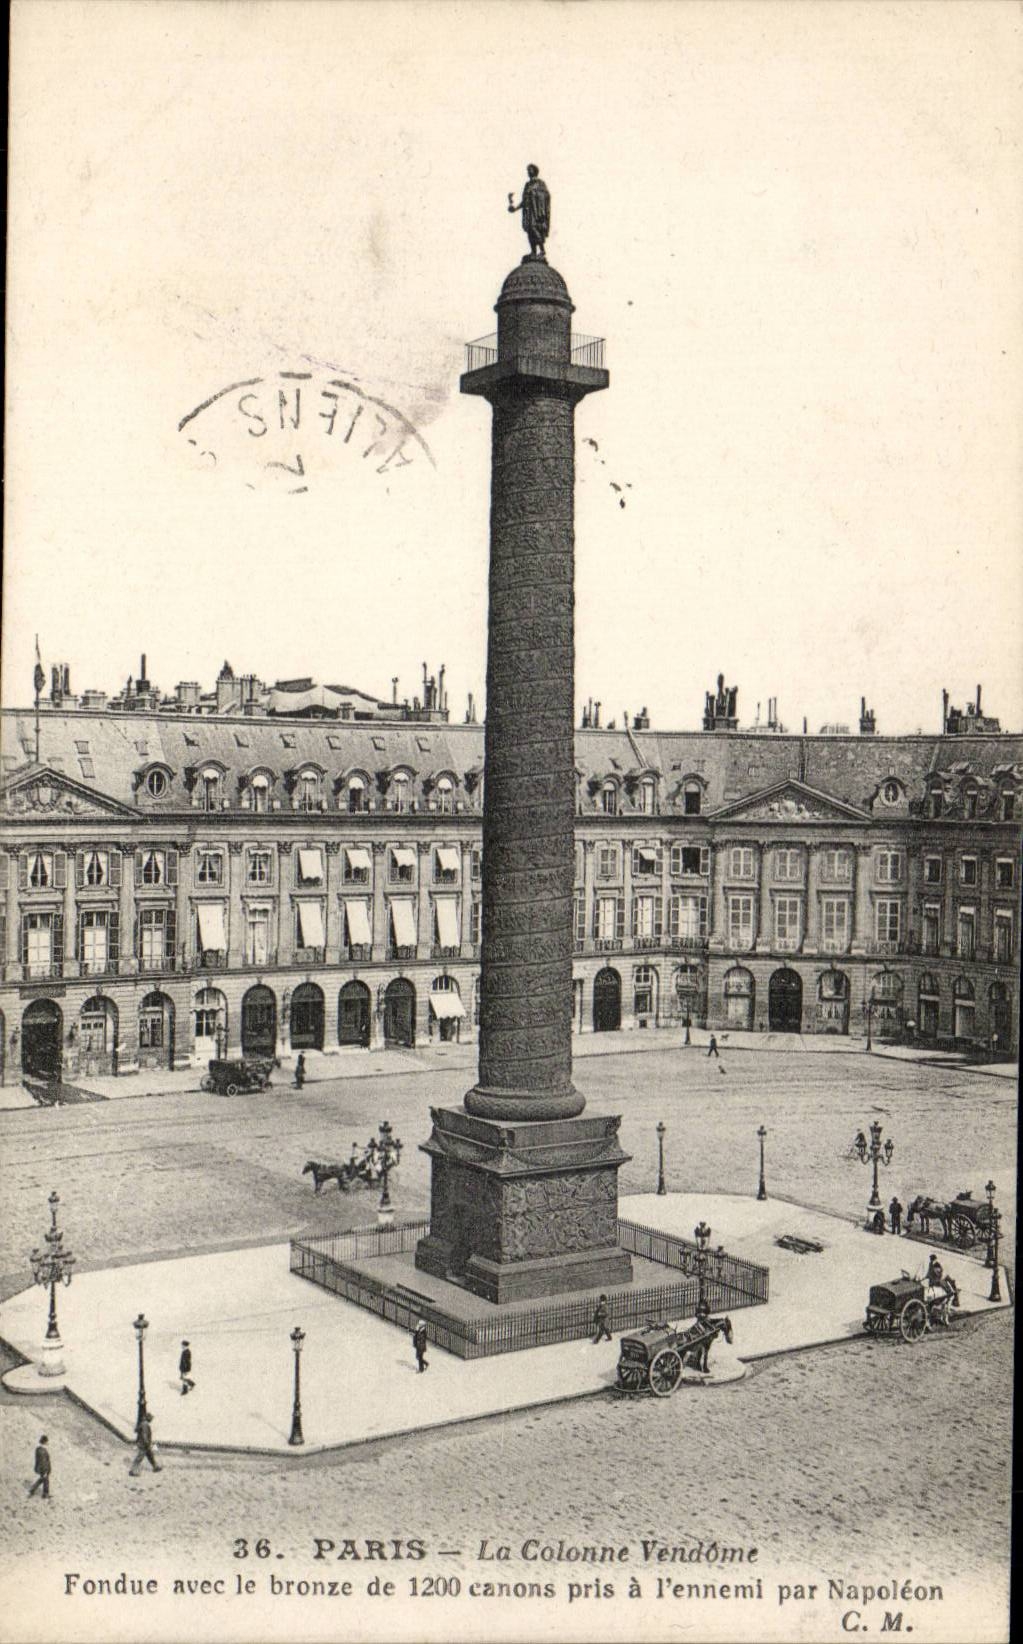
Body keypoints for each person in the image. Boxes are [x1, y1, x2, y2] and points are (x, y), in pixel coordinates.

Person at [507, 165, 550, 258]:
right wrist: (515, 208)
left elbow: (545, 196)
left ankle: (542, 251)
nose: (528, 172)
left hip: (537, 212)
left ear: (534, 171)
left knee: (534, 229)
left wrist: (541, 210)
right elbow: (525, 201)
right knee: (530, 231)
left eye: (530, 170)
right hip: (528, 213)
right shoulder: (527, 185)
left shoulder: (540, 183)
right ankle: (533, 252)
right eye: (528, 170)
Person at [129, 1409, 162, 1475]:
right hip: (144, 1444)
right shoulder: (146, 1424)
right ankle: (133, 1470)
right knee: (139, 1458)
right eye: (151, 1418)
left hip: (143, 1443)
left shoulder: (142, 1423)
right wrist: (147, 1443)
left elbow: (136, 1430)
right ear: (148, 1418)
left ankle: (155, 1467)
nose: (151, 1419)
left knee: (150, 1456)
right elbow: (144, 1435)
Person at [29, 1435, 51, 1499]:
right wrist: (45, 1471)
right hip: (43, 1469)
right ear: (44, 1442)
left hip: (41, 1468)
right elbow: (43, 1462)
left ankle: (33, 1490)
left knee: (43, 1480)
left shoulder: (39, 1449)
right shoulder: (42, 1451)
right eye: (47, 1441)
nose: (47, 1443)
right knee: (45, 1480)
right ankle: (45, 1494)